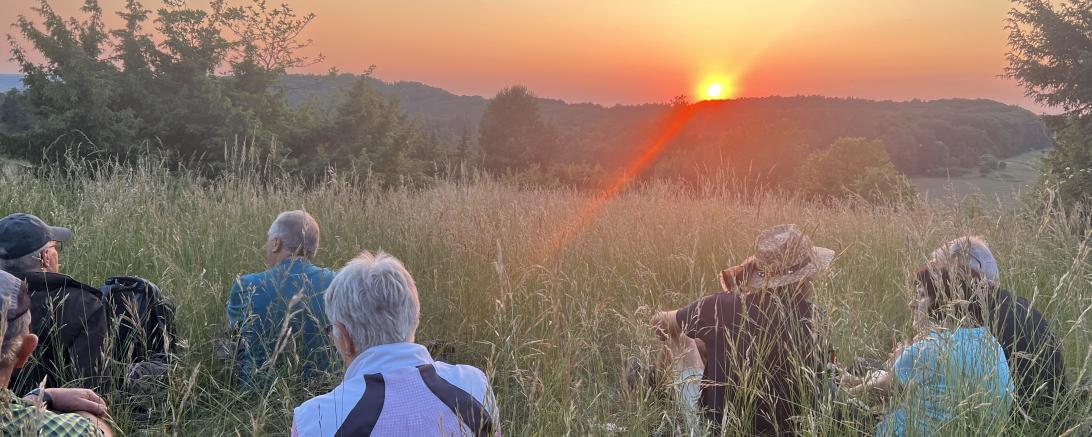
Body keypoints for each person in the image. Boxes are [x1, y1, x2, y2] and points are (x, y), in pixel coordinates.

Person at [650, 224, 833, 435]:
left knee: (681, 338)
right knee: (701, 343)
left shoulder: (720, 307)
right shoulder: (818, 319)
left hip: (720, 430)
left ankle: (657, 395)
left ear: (760, 274)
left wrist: (712, 327)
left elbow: (658, 322)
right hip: (795, 430)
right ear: (805, 277)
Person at [292, 251, 499, 436]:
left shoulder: (313, 420)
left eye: (332, 332)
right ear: (414, 318)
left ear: (345, 338)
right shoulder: (475, 386)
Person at [842, 265, 1013, 436]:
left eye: (922, 296)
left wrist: (838, 390)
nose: (911, 304)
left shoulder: (929, 348)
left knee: (830, 396)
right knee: (866, 366)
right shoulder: (991, 344)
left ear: (945, 302)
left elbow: (875, 392)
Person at [932, 236, 1065, 408]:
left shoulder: (978, 325)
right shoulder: (1020, 305)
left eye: (938, 276)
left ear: (961, 277)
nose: (933, 285)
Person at [0, 213, 108, 394]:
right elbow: (89, 385)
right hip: (53, 414)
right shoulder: (85, 304)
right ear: (45, 258)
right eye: (54, 247)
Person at [226, 210, 337, 383]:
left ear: (276, 243)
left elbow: (235, 338)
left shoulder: (247, 285)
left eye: (268, 240)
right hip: (327, 391)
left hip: (259, 396)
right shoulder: (337, 282)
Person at [0, 270, 114, 436]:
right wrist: (87, 417)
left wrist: (39, 398)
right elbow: (100, 432)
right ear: (25, 351)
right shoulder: (70, 431)